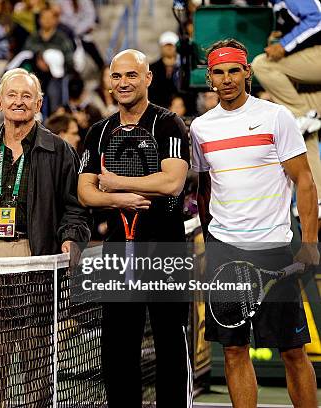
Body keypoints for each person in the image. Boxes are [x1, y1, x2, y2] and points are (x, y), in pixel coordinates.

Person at [192, 39, 319, 408]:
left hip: (274, 250)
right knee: (233, 351)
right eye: (219, 71)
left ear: (247, 72)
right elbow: (204, 191)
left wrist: (309, 243)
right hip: (225, 252)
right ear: (210, 77)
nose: (227, 78)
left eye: (234, 70)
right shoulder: (200, 128)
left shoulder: (275, 116)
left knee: (293, 352)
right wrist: (209, 244)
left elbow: (305, 181)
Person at [0, 67, 90, 407]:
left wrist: (71, 238)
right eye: (12, 96)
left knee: (36, 352)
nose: (19, 102)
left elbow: (75, 207)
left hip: (38, 256)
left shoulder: (59, 150)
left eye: (27, 96)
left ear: (39, 103)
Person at [78, 49, 192, 407]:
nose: (123, 83)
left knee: (169, 343)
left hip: (167, 251)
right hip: (117, 252)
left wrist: (114, 183)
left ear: (147, 78)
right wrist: (121, 199)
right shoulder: (99, 131)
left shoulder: (169, 123)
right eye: (117, 76)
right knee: (117, 346)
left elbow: (172, 183)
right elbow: (85, 192)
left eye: (131, 75)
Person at [251, 0, 321, 209]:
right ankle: (317, 202)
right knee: (306, 135)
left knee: (262, 64)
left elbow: (317, 18)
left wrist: (284, 44)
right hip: (309, 68)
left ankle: (303, 114)